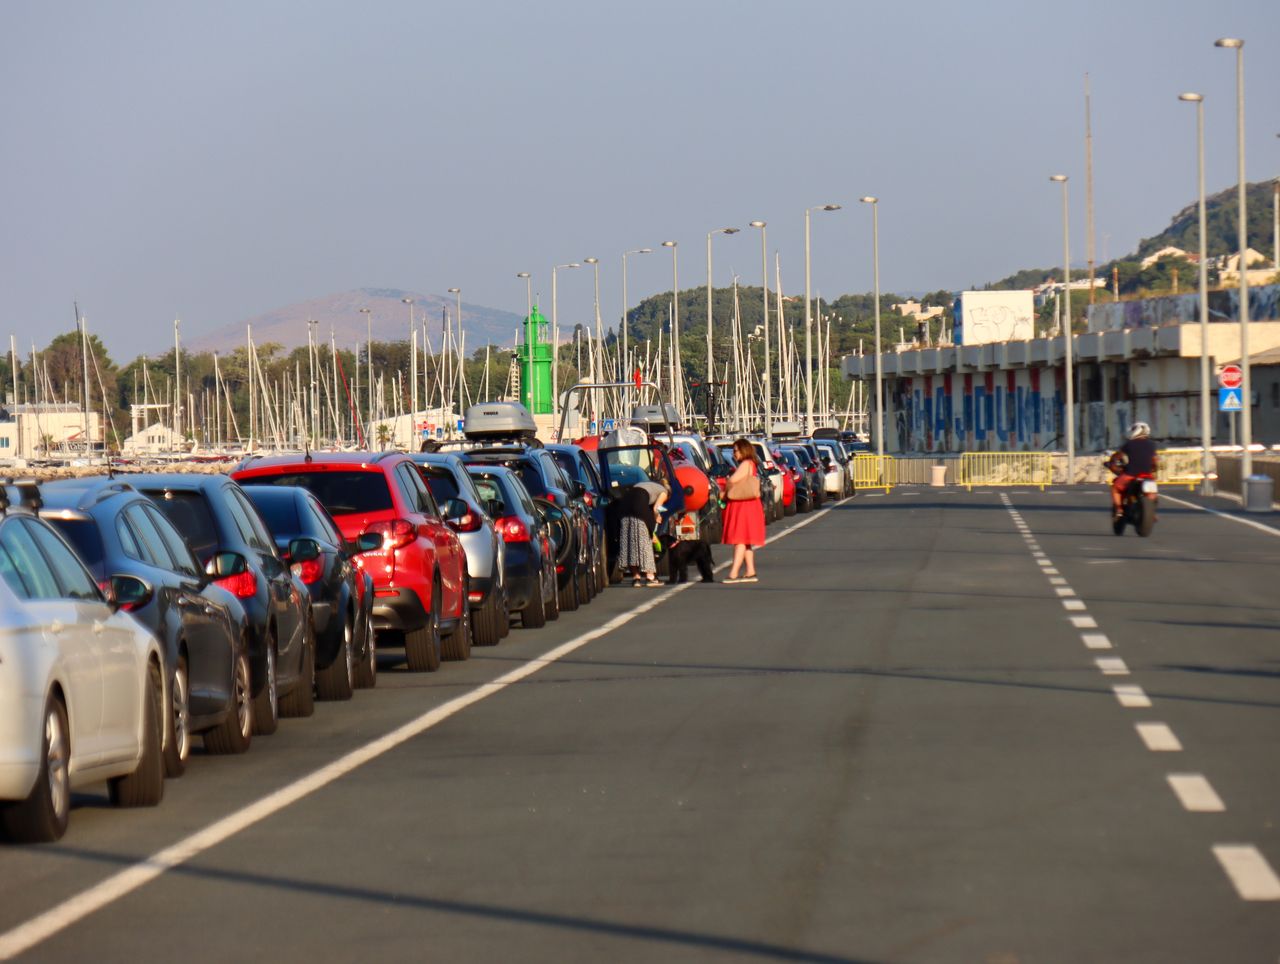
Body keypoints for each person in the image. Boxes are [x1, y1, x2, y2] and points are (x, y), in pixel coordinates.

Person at [721, 438, 766, 584]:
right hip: (748, 505)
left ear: (743, 450)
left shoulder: (746, 464)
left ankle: (733, 573)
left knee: (739, 539)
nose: (734, 454)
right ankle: (750, 571)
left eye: (735, 450)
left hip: (743, 506)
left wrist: (724, 492)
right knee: (746, 541)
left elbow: (733, 480)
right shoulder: (751, 464)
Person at [618, 471, 663, 587]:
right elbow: (656, 508)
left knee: (629, 544)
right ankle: (650, 577)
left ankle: (636, 578)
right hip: (639, 506)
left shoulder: (644, 485)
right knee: (646, 542)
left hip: (624, 508)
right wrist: (656, 518)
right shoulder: (664, 491)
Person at [1106, 421, 1159, 519]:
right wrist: (1153, 469)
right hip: (1147, 475)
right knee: (1153, 492)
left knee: (1115, 488)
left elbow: (1117, 457)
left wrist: (1111, 463)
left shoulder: (1129, 444)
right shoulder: (1152, 445)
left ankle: (1119, 509)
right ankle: (1152, 513)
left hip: (1131, 475)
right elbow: (1155, 461)